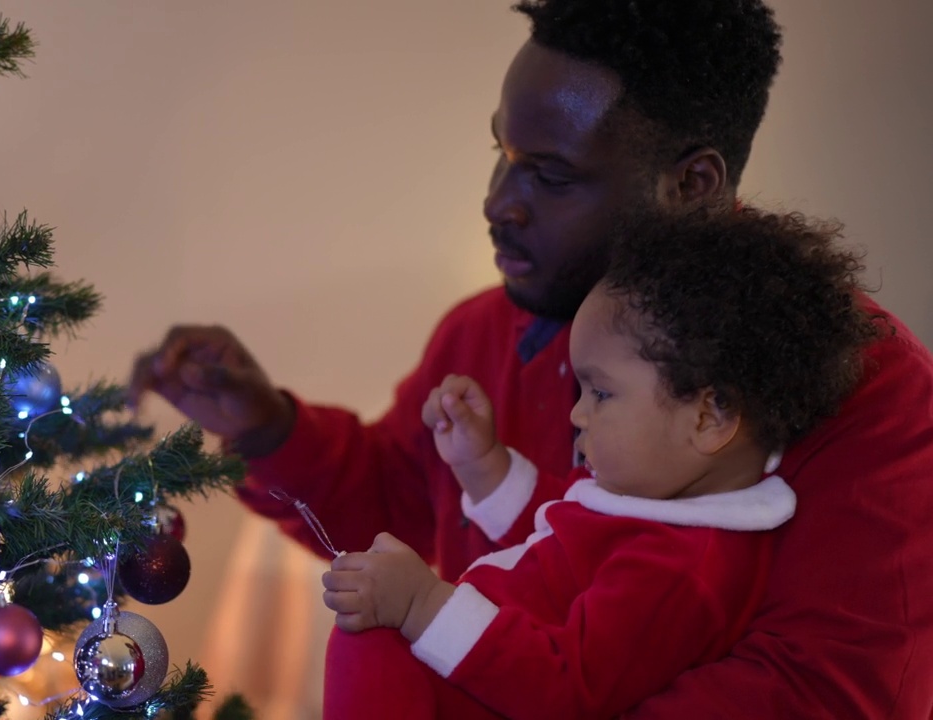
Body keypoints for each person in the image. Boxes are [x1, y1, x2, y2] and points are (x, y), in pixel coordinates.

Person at [127, 1, 933, 715]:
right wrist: (268, 428)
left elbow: (820, 689)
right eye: (502, 155)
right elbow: (408, 506)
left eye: (548, 174)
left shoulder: (862, 381)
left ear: (692, 184)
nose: (498, 202)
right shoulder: (486, 329)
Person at [317, 207, 877, 719]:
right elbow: (556, 542)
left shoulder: (681, 570)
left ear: (710, 417)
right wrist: (483, 464)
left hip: (461, 696)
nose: (578, 415)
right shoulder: (656, 502)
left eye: (600, 394)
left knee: (368, 639)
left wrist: (423, 603)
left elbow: (567, 688)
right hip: (440, 680)